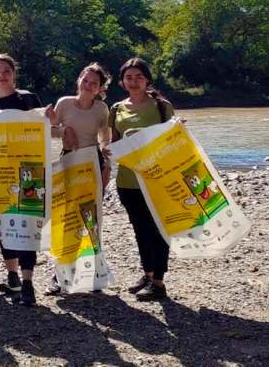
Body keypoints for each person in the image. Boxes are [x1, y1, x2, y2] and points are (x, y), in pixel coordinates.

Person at [0, 54, 55, 306]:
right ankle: (13, 276)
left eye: (6, 70)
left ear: (14, 73)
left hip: (28, 173)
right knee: (4, 226)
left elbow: (44, 127)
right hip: (0, 176)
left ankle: (28, 283)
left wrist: (49, 116)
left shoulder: (28, 99)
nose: (1, 75)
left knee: (27, 227)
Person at [102, 57, 175, 301]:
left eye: (138, 77)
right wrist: (107, 152)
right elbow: (114, 142)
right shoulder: (116, 109)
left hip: (157, 178)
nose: (133, 82)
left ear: (147, 80)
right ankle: (148, 274)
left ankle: (158, 282)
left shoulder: (162, 106)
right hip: (128, 180)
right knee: (140, 229)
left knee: (158, 229)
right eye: (129, 78)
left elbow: (174, 141)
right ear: (122, 81)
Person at [45, 62, 113, 295]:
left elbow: (106, 140)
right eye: (85, 80)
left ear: (100, 88)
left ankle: (94, 273)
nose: (88, 85)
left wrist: (108, 167)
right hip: (68, 162)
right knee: (65, 219)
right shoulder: (64, 103)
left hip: (93, 164)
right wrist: (63, 131)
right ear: (79, 80)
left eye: (94, 83)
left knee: (90, 219)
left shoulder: (102, 109)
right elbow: (49, 129)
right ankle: (58, 276)